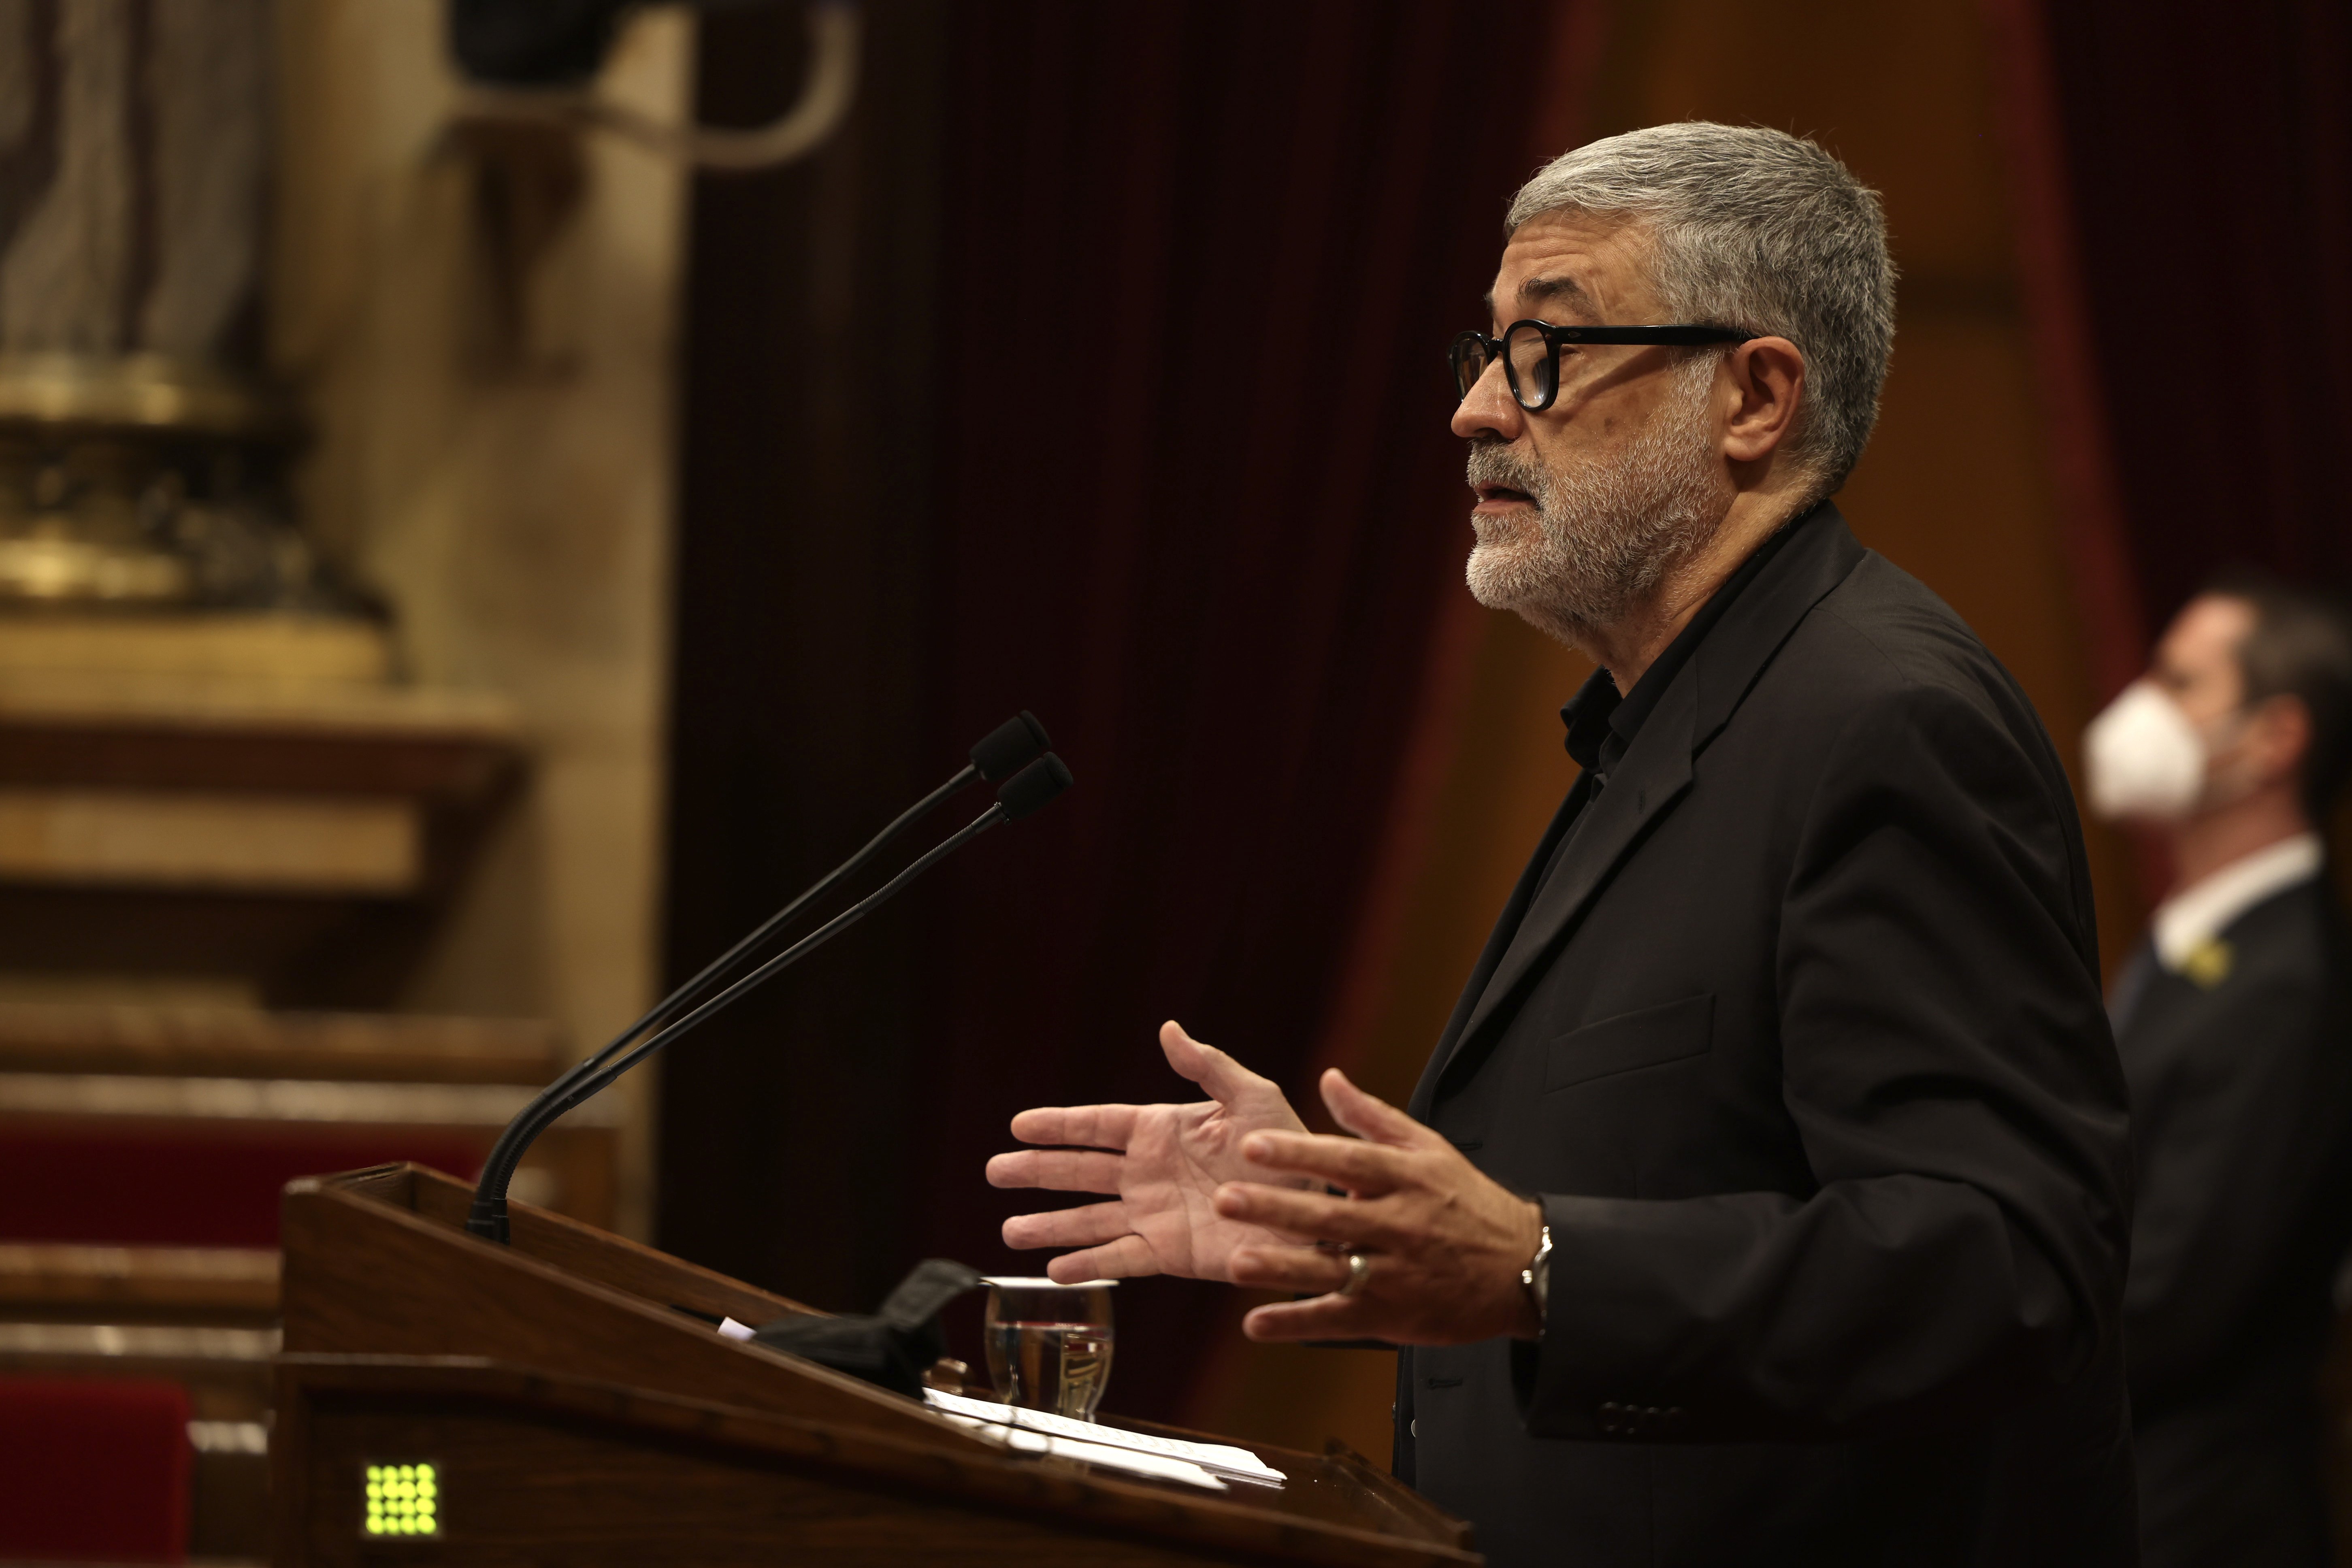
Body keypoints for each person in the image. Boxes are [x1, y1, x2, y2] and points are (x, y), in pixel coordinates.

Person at [987, 122, 2135, 1565]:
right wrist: (1338, 1206)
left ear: (1752, 397)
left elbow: (2010, 1269)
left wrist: (1539, 1267)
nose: (1473, 410)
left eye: (1543, 355)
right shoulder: (1669, 719)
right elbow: (1657, 1170)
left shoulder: (1880, 720)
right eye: (1482, 352)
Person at [2083, 577, 2352, 1568]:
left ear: (2274, 740)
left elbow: (2179, 1299)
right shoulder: (2203, 937)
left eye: (2180, 681)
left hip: (2205, 1514)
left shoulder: (2290, 983)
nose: (2141, 704)